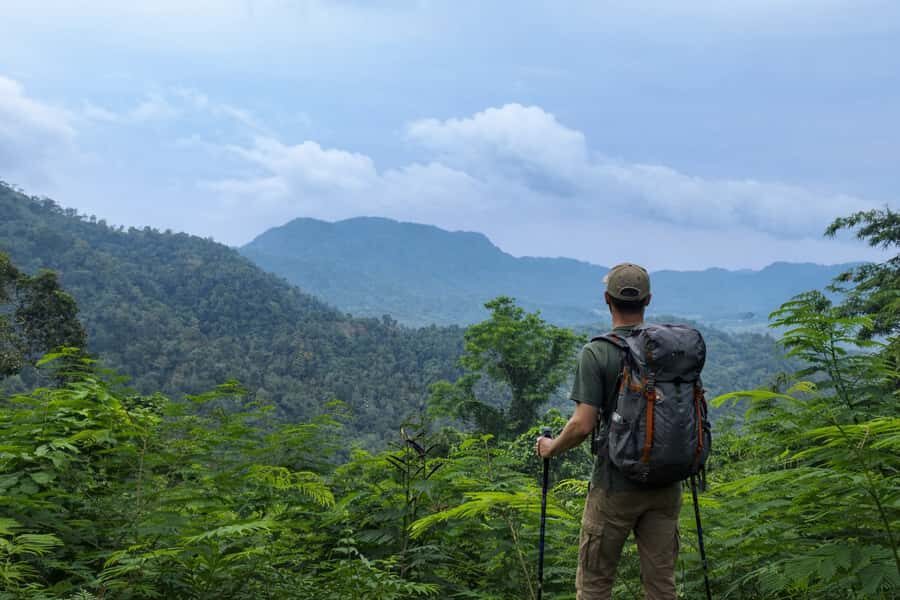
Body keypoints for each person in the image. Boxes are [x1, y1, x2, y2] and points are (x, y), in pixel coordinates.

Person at [535, 262, 682, 600]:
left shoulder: (598, 352)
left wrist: (550, 447)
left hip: (614, 486)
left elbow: (582, 425)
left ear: (606, 299)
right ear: (648, 301)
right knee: (662, 586)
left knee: (595, 585)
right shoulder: (669, 351)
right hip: (666, 485)